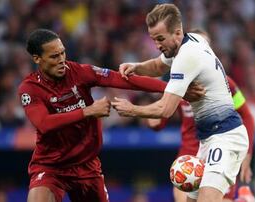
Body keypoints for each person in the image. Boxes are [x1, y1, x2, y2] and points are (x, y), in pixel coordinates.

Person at [112, 4, 249, 202]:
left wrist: (132, 109)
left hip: (226, 137)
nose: (157, 45)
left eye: (160, 39)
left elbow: (165, 109)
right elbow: (159, 65)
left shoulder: (187, 56)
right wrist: (136, 67)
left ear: (177, 32)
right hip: (208, 139)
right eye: (153, 40)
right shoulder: (193, 40)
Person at [18, 28, 169, 202]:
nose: (61, 60)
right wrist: (87, 111)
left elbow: (122, 79)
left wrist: (174, 89)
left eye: (62, 53)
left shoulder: (79, 72)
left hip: (86, 165)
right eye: (54, 57)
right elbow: (43, 123)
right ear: (37, 58)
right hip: (51, 165)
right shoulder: (29, 88)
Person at [146, 76, 255, 202]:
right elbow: (157, 123)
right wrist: (153, 107)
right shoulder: (179, 84)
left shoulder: (222, 81)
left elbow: (246, 115)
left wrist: (248, 155)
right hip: (189, 155)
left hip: (219, 150)